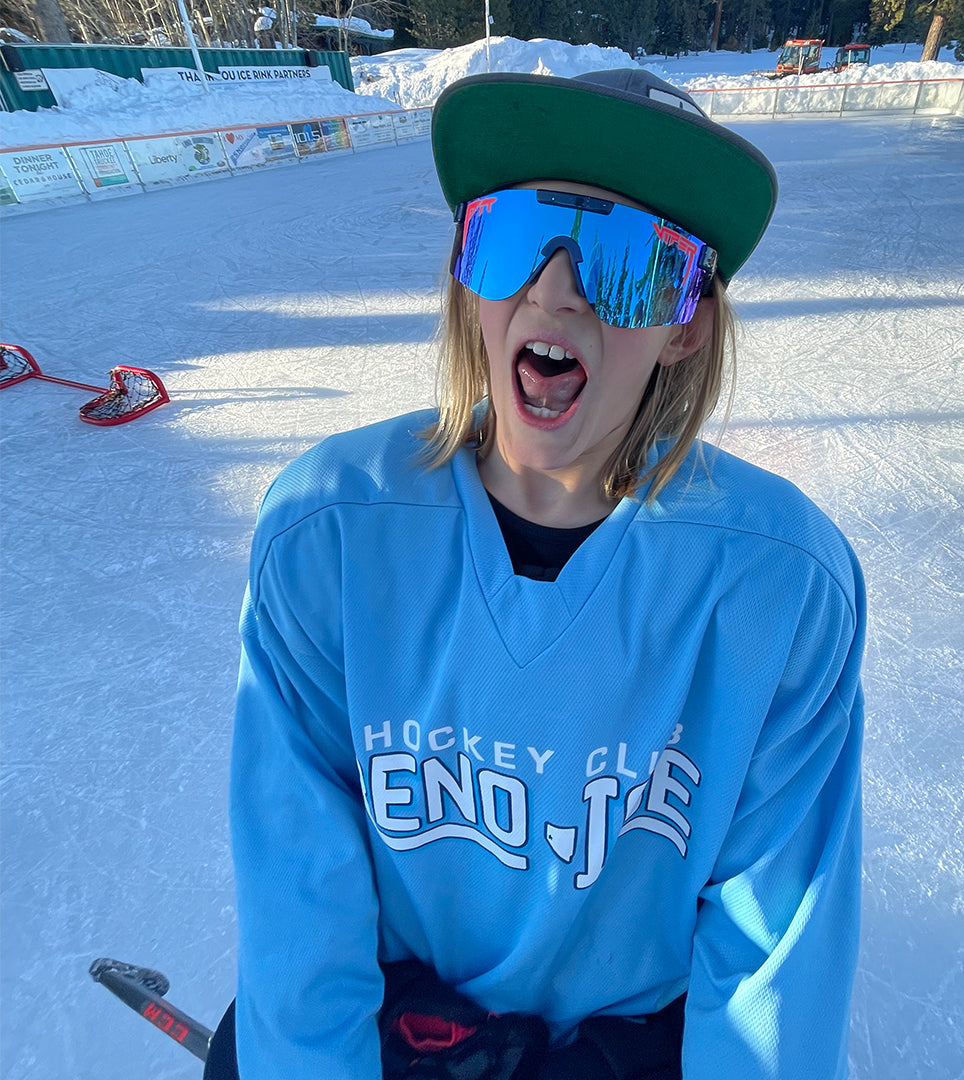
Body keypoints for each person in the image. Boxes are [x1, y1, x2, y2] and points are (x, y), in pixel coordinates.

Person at [228, 69, 866, 1080]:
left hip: (631, 1048)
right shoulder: (326, 538)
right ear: (467, 268)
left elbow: (769, 957)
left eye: (622, 260)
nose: (556, 289)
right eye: (517, 235)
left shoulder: (781, 593)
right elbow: (300, 895)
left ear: (688, 319)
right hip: (411, 1023)